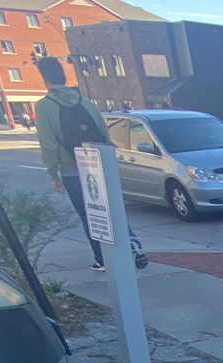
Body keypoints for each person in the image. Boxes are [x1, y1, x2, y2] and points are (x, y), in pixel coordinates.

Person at [35, 56, 147, 272]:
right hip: (99, 165)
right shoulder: (85, 102)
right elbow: (104, 134)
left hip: (73, 169)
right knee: (111, 209)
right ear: (63, 75)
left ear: (44, 78)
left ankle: (102, 257)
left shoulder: (44, 106)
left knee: (91, 215)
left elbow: (48, 143)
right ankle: (130, 241)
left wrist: (53, 174)